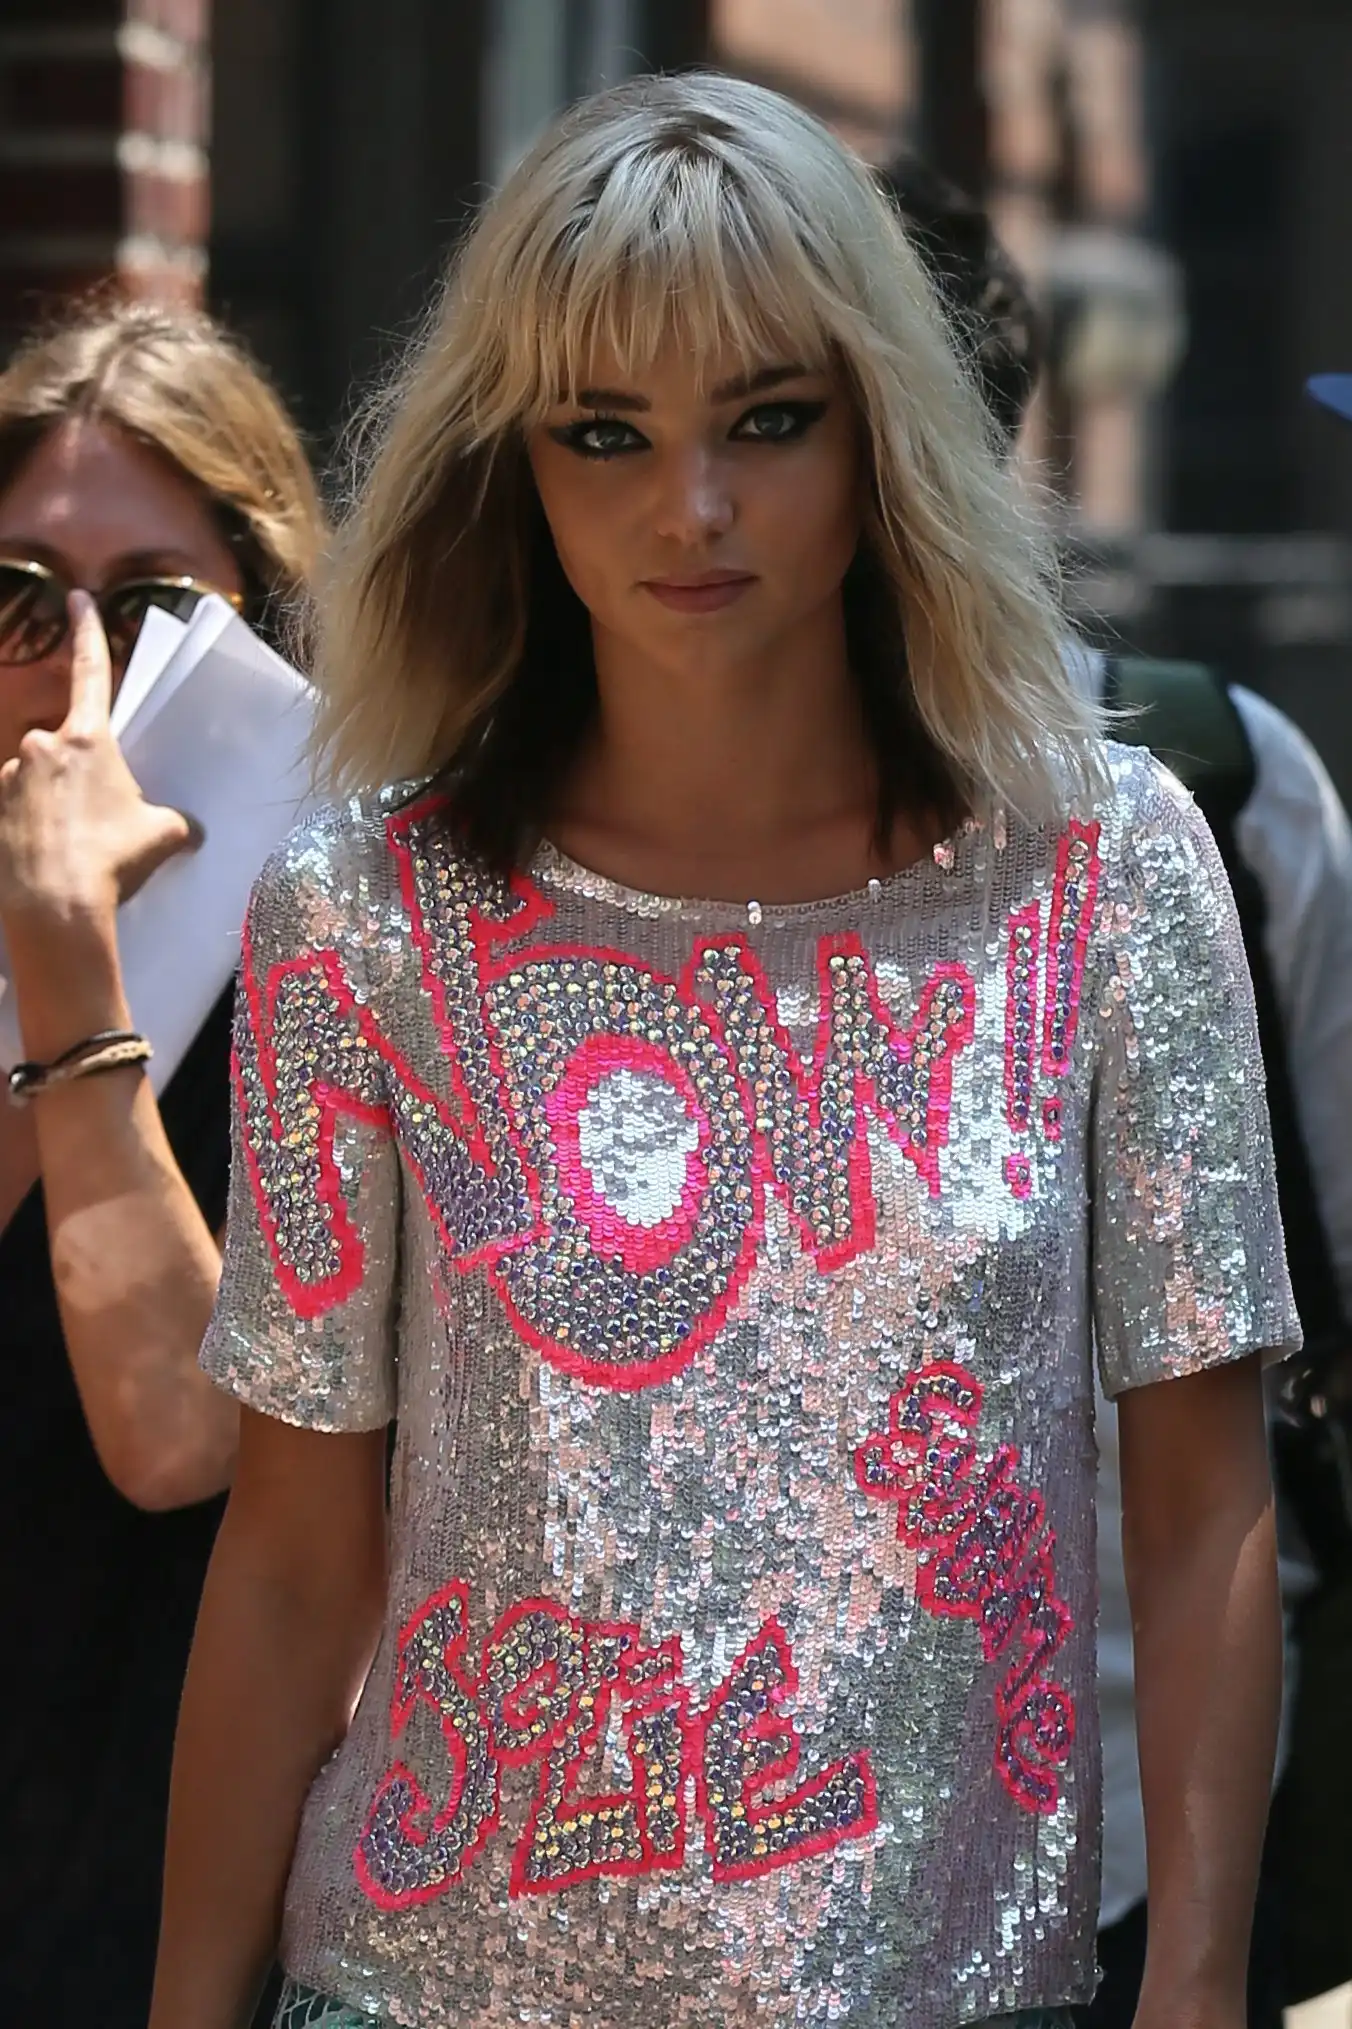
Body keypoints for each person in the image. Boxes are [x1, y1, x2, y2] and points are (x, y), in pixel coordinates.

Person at [151, 74, 1296, 2029]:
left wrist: (1192, 1991)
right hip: (426, 1988)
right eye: (605, 432)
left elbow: (1202, 1511)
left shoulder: (1104, 871)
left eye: (768, 420)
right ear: (513, 464)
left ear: (881, 431)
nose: (691, 508)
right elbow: (290, 1555)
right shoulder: (364, 915)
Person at [876, 158, 1352, 2025]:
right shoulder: (553, 864)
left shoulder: (1207, 793)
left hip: (1170, 1799)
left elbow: (1331, 1241)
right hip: (710, 1846)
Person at [0, 299, 325, 2027]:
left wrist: (76, 968)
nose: (78, 664)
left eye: (149, 606)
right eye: (19, 597)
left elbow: (180, 1439)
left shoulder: (330, 958)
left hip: (136, 1865)